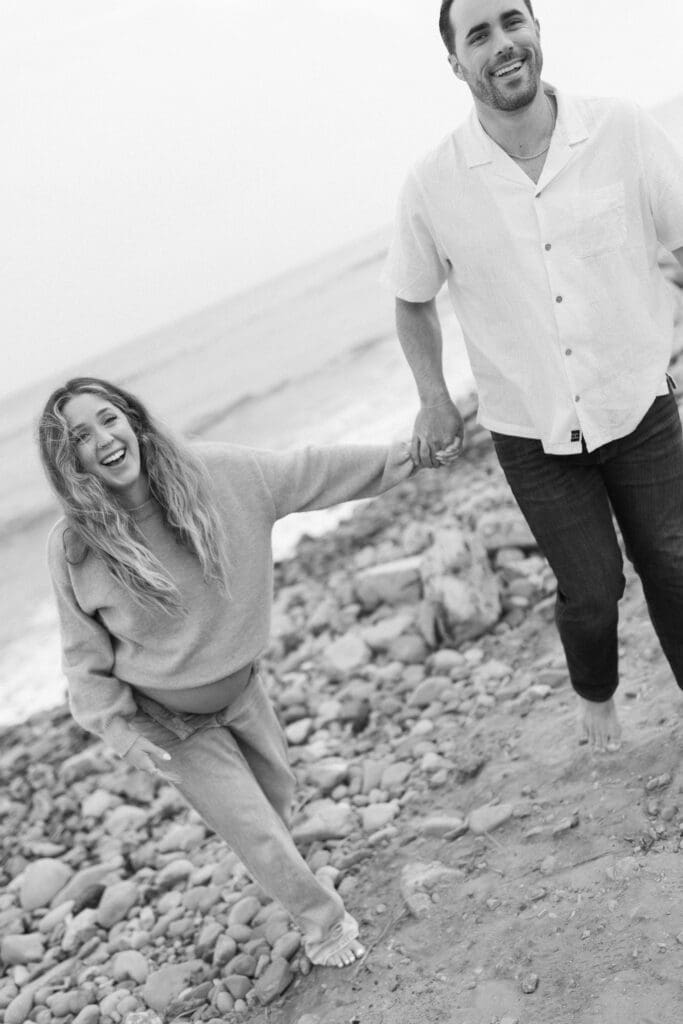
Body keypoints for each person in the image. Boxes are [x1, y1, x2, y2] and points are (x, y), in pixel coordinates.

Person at [39, 376, 433, 968]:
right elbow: (82, 654)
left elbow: (308, 472)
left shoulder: (214, 476)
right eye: (79, 438)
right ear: (69, 463)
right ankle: (324, 926)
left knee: (278, 801)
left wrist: (403, 456)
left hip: (244, 689)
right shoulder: (76, 546)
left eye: (108, 420)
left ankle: (286, 874)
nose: (103, 439)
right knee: (255, 829)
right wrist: (121, 733)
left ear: (134, 422)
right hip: (168, 723)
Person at [383, 0, 683, 753]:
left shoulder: (620, 128)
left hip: (636, 398)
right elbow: (412, 298)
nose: (502, 43)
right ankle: (596, 695)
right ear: (456, 63)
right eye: (477, 34)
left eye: (511, 21)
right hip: (530, 428)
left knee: (674, 564)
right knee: (591, 590)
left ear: (536, 31)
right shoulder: (432, 182)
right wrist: (432, 398)